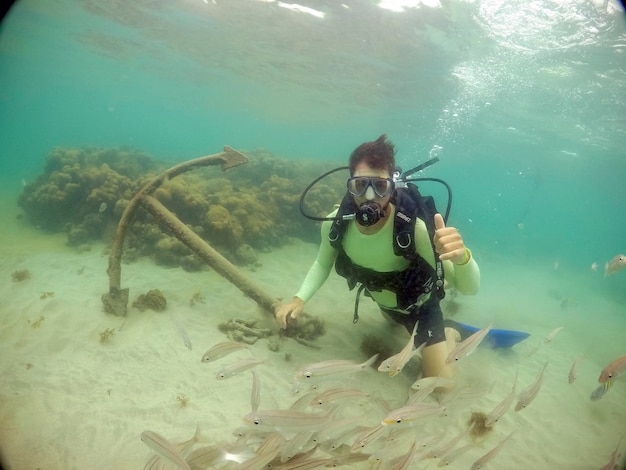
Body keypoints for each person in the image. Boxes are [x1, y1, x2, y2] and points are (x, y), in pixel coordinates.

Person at [274, 134, 480, 380]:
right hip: (386, 306)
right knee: (397, 324)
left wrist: (462, 257)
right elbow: (322, 263)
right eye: (360, 186)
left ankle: (450, 330)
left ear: (392, 188)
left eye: (380, 187)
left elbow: (468, 288)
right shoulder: (335, 224)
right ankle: (407, 327)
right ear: (349, 186)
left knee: (440, 385)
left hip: (421, 309)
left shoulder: (414, 230)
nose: (369, 197)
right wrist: (299, 299)